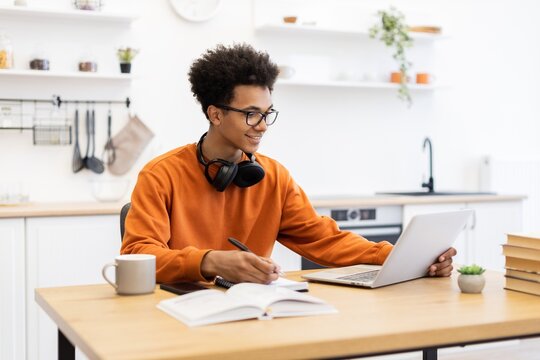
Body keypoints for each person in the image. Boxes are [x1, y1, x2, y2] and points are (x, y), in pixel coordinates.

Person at [121, 43, 456, 284]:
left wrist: (399, 258)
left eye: (267, 114)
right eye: (252, 114)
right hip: (175, 312)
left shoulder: (274, 176)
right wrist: (209, 261)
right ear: (216, 114)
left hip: (252, 311)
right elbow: (139, 253)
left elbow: (325, 239)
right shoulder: (160, 174)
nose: (263, 125)